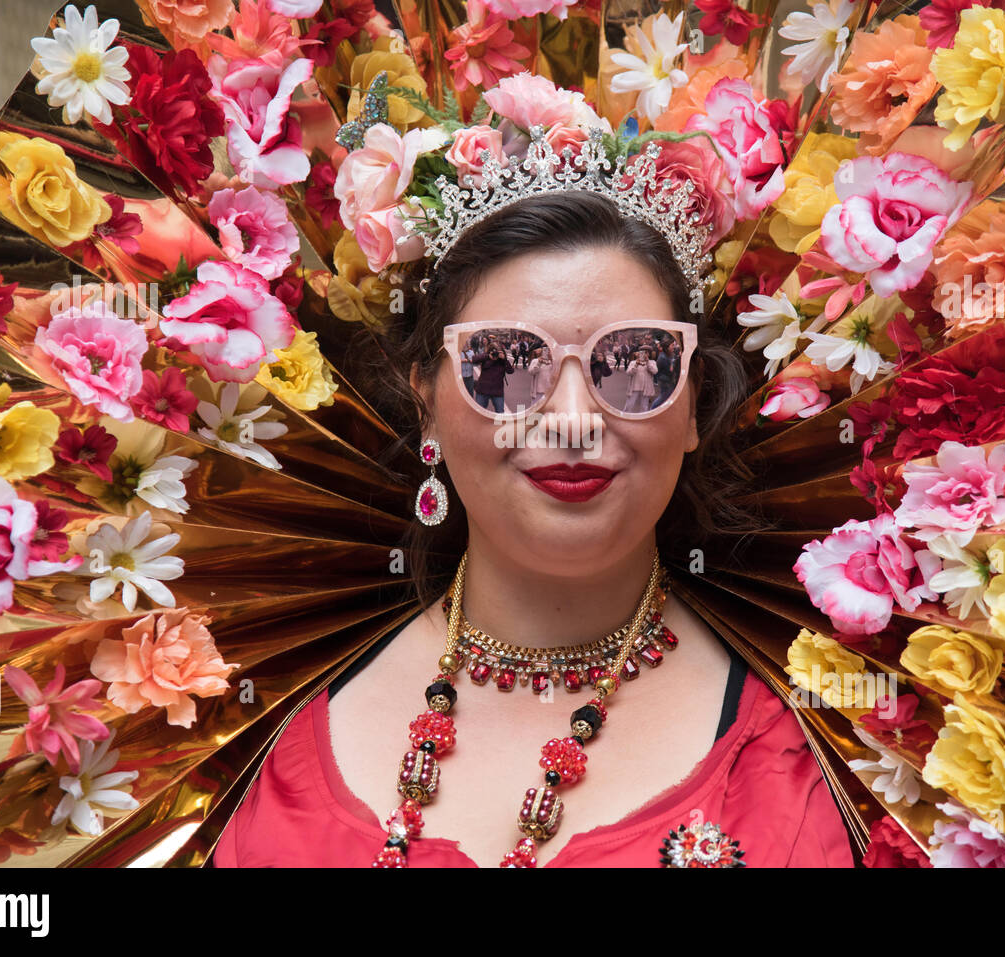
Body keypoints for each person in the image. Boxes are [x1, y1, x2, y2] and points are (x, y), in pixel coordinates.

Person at [212, 191, 853, 868]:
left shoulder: (819, 747)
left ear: (691, 403)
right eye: (506, 364)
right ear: (427, 405)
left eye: (635, 362)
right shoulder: (264, 728)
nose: (573, 420)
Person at [471, 341, 514, 414]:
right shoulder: (487, 356)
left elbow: (510, 371)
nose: (496, 354)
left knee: (500, 413)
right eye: (495, 352)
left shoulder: (503, 360)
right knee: (479, 413)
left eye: (498, 352)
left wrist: (505, 360)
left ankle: (499, 426)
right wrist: (488, 356)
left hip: (497, 391)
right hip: (483, 389)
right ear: (490, 351)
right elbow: (474, 359)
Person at [623, 349, 658, 414]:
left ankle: (642, 421)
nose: (644, 354)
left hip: (646, 388)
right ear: (638, 353)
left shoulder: (652, 362)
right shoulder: (633, 362)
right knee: (629, 406)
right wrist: (636, 364)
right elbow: (628, 373)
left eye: (646, 353)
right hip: (634, 388)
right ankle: (625, 418)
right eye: (642, 352)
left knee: (644, 407)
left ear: (649, 354)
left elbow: (655, 371)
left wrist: (648, 362)